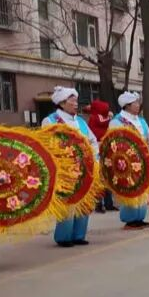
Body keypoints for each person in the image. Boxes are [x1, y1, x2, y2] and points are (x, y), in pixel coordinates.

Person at [42, 86, 99, 246]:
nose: (76, 104)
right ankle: (64, 237)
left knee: (84, 201)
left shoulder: (80, 121)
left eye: (76, 101)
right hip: (64, 170)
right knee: (67, 203)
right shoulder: (51, 121)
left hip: (84, 168)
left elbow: (92, 140)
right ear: (61, 103)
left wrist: (94, 157)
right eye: (72, 101)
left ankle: (79, 235)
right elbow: (47, 144)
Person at [109, 91, 149, 229]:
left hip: (143, 160)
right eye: (135, 103)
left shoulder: (141, 120)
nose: (138, 105)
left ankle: (140, 216)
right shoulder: (117, 121)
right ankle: (130, 219)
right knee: (129, 188)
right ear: (127, 106)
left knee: (142, 188)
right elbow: (114, 142)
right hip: (127, 163)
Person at [87, 100, 117, 213]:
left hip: (104, 149)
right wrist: (110, 117)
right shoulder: (97, 118)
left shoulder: (95, 118)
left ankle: (106, 203)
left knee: (105, 177)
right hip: (100, 149)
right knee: (102, 177)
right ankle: (101, 203)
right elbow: (102, 122)